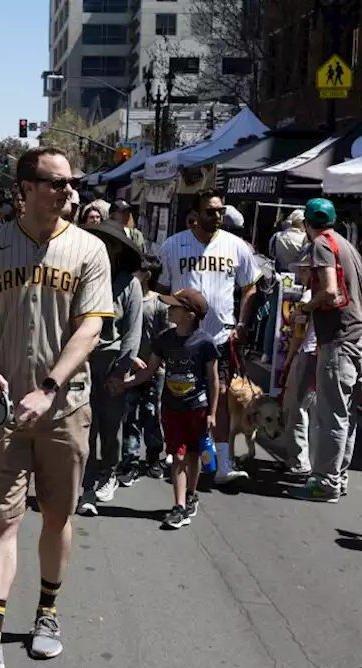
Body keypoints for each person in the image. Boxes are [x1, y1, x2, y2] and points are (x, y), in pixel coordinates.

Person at [0, 147, 113, 668]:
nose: (69, 191)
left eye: (72, 183)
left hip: (65, 408)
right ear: (24, 189)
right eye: (56, 182)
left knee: (58, 515)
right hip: (3, 408)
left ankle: (47, 611)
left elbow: (90, 328)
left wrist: (48, 386)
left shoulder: (90, 250)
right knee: (2, 517)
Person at [157, 188, 262, 485]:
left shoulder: (236, 246)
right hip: (183, 339)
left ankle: (223, 463)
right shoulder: (173, 245)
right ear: (195, 214)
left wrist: (242, 323)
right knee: (179, 395)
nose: (217, 216)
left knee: (223, 398)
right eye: (210, 211)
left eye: (220, 211)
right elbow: (163, 289)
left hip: (220, 338)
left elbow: (250, 286)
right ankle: (178, 451)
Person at [290, 197, 362, 502]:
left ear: (308, 225)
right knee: (346, 415)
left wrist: (307, 306)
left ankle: (325, 483)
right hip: (357, 338)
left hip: (338, 340)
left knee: (330, 415)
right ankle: (338, 477)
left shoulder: (322, 245)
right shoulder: (347, 246)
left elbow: (329, 290)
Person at [114, 289, 218, 529]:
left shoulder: (205, 343)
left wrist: (212, 412)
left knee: (194, 454)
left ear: (190, 315)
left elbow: (213, 380)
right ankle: (179, 506)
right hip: (172, 409)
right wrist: (126, 384)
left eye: (175, 307)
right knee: (179, 455)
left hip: (198, 408)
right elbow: (150, 371)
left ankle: (191, 493)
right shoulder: (164, 340)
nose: (168, 310)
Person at [78, 222, 143, 514]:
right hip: (82, 362)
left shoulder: (130, 284)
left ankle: (109, 474)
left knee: (111, 427)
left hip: (113, 363)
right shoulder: (85, 276)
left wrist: (121, 372)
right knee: (84, 428)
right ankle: (87, 485)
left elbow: (132, 333)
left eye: (109, 244)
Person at [126, 255, 169, 479]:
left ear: (147, 275)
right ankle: (130, 458)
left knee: (152, 414)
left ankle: (154, 457)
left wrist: (155, 361)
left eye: (138, 270)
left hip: (155, 370)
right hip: (131, 367)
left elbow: (166, 337)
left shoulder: (159, 303)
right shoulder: (128, 298)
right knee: (129, 415)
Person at [278, 255, 317, 478]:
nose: (300, 275)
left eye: (304, 270)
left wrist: (289, 359)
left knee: (297, 409)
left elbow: (298, 335)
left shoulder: (309, 297)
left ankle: (299, 460)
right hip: (323, 355)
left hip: (307, 353)